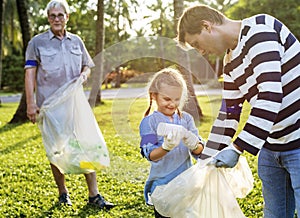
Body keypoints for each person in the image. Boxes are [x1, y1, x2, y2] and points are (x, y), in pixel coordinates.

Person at [177, 4, 300, 218]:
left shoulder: (260, 31)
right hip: (271, 149)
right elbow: (229, 114)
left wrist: (236, 148)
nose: (201, 52)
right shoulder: (229, 63)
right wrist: (204, 161)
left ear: (207, 26)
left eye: (197, 44)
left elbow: (270, 96)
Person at [24, 0, 114, 209]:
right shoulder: (37, 43)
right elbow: (30, 74)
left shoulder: (76, 42)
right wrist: (31, 104)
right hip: (51, 106)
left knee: (84, 142)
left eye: (60, 15)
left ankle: (94, 195)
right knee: (56, 150)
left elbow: (87, 65)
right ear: (48, 18)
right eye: (52, 15)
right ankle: (63, 193)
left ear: (67, 17)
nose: (56, 19)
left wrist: (85, 73)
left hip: (75, 104)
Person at [139, 68, 205, 218]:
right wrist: (166, 147)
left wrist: (194, 143)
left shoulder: (186, 119)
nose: (173, 104)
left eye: (177, 99)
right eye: (167, 99)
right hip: (162, 187)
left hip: (186, 186)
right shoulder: (148, 122)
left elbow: (200, 152)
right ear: (154, 96)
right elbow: (151, 155)